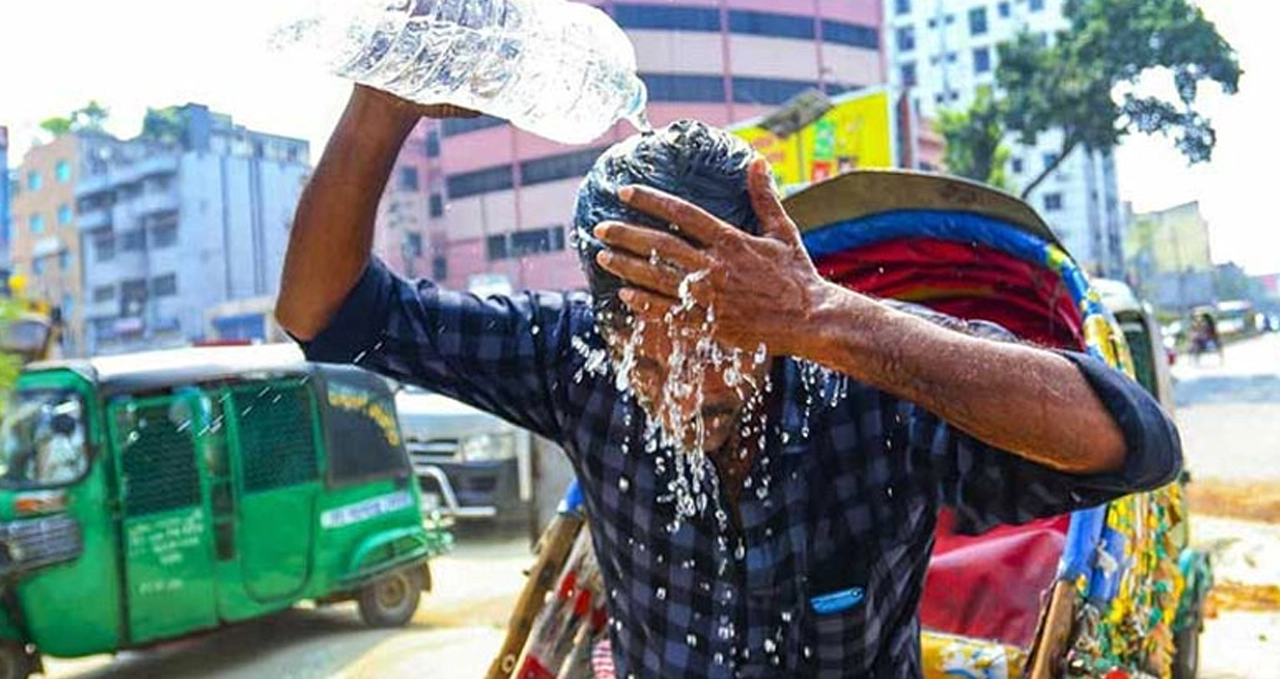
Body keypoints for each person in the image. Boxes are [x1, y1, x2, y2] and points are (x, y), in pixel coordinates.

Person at [276, 87, 1181, 679]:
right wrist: (380, 107)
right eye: (651, 347)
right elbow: (324, 312)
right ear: (606, 324)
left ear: (768, 297)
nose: (687, 380)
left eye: (722, 336)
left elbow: (1134, 445)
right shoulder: (577, 363)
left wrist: (819, 317)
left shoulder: (864, 383)